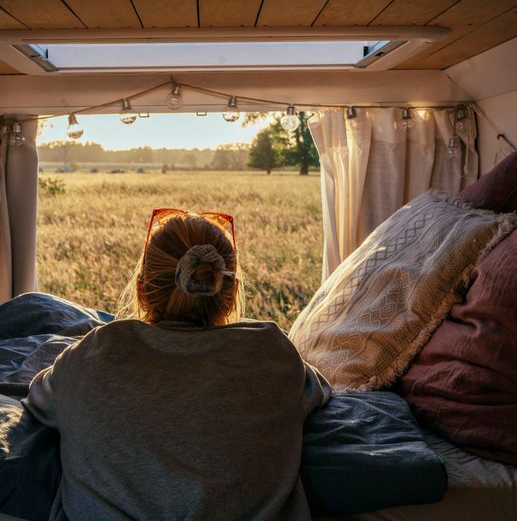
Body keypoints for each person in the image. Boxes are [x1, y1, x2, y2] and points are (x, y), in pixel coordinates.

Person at [23, 208, 330, 520]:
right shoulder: (275, 355)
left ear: (142, 290)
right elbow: (318, 390)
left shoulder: (89, 357)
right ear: (232, 293)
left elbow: (40, 396)